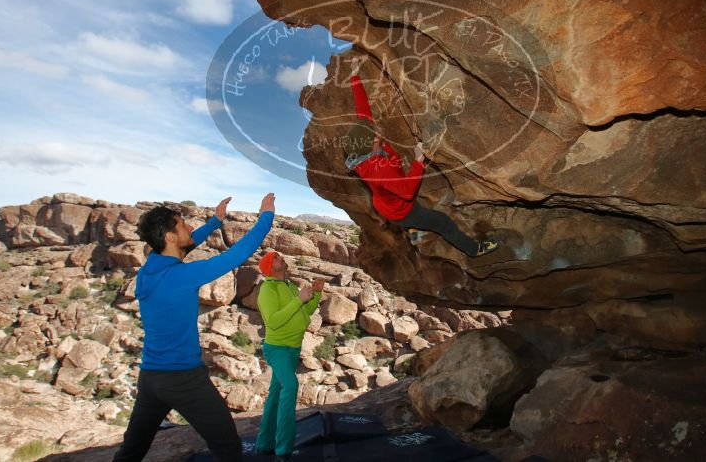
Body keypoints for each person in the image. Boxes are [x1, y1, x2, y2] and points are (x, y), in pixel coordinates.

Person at [112, 193, 276, 462]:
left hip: (151, 378)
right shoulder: (182, 277)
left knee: (132, 450)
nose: (189, 228)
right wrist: (266, 216)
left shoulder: (148, 271)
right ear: (170, 237)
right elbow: (238, 254)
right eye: (182, 225)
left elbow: (183, 248)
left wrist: (215, 221)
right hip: (183, 379)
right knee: (228, 448)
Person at [343, 58, 499, 257]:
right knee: (443, 223)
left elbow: (362, 109)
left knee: (407, 204)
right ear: (371, 145)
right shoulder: (378, 169)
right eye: (375, 134)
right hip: (400, 211)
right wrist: (418, 161)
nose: (377, 130)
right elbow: (407, 192)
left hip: (386, 203)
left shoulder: (363, 145)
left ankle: (413, 230)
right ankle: (474, 249)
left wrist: (354, 73)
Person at [255, 251, 326, 462]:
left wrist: (316, 294)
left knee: (276, 394)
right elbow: (274, 321)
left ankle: (264, 443)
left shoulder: (289, 285)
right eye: (276, 258)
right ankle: (283, 450)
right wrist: (298, 300)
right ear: (270, 267)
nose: (281, 258)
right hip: (277, 349)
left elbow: (306, 310)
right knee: (290, 387)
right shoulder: (267, 290)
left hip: (293, 348)